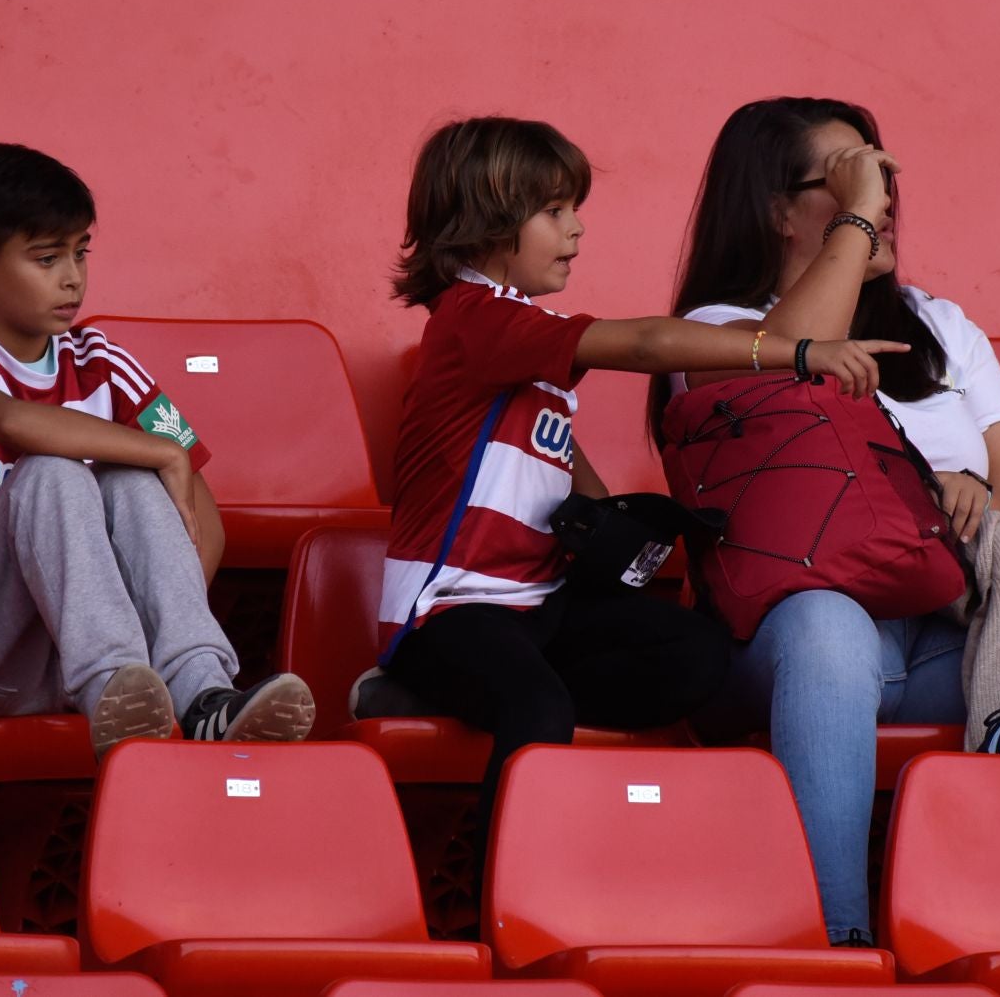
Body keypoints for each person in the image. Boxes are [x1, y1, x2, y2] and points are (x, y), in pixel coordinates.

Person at [653, 96, 1000, 943]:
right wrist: (856, 223)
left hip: (965, 626)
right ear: (775, 210)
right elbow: (786, 366)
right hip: (815, 645)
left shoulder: (942, 327)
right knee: (827, 624)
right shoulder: (718, 331)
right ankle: (834, 942)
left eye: (883, 182)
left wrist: (976, 495)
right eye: (850, 182)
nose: (880, 204)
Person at [354, 115, 902, 829]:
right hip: (451, 610)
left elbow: (563, 471)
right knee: (538, 707)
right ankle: (497, 890)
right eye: (554, 212)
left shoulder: (520, 338)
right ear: (486, 224)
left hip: (536, 604)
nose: (576, 229)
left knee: (694, 657)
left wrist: (609, 523)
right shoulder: (473, 318)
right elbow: (645, 341)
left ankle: (445, 698)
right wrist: (799, 354)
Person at [0, 143, 315, 757]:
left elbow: (201, 520)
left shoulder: (103, 361)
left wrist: (161, 611)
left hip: (72, 665)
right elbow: (12, 420)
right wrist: (161, 451)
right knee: (58, 472)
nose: (73, 277)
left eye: (81, 252)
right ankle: (115, 680)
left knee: (134, 482)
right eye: (46, 258)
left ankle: (202, 694)